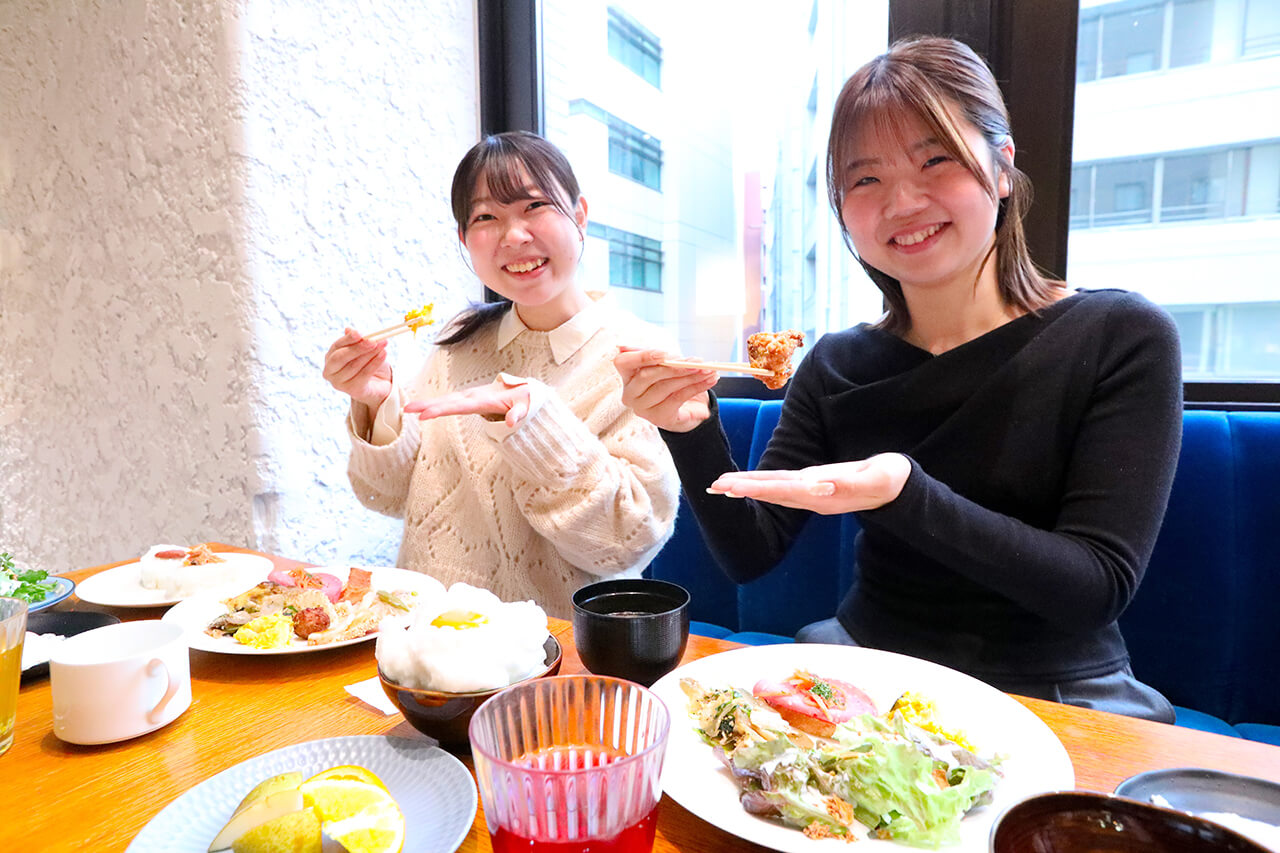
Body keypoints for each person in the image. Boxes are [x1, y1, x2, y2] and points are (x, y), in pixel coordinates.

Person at [615, 37, 1181, 721]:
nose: (902, 201)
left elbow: (1096, 586)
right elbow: (751, 550)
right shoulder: (837, 363)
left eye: (934, 160)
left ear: (1001, 168)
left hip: (1053, 686)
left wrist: (906, 493)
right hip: (869, 666)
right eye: (865, 179)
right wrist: (692, 428)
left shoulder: (1119, 336)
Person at [324, 131, 679, 618]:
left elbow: (625, 542)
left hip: (552, 656)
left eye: (535, 206)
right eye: (486, 217)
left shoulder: (640, 355)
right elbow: (387, 495)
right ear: (464, 240)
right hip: (424, 641)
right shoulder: (459, 341)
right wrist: (378, 400)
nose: (514, 237)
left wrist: (537, 427)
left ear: (579, 216)